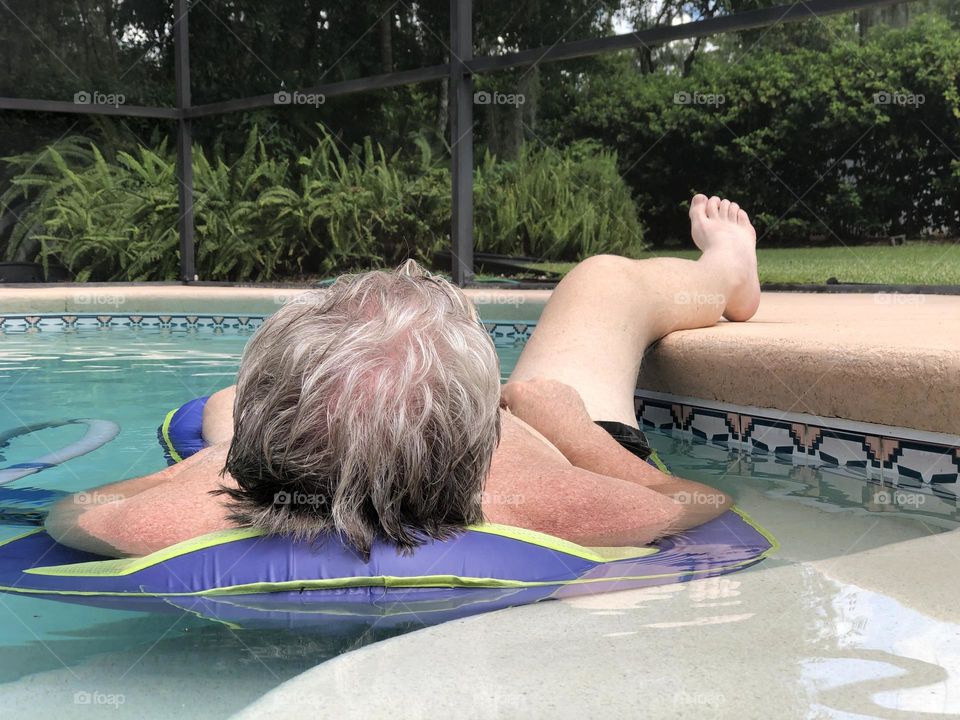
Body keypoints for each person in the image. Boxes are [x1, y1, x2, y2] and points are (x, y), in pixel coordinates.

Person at [45, 194, 760, 558]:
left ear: (255, 458)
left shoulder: (152, 521)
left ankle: (250, 420)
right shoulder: (579, 506)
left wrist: (207, 462)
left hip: (265, 458)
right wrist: (567, 427)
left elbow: (71, 514)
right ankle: (724, 265)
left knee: (225, 404)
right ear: (482, 446)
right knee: (603, 281)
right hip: (553, 444)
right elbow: (700, 500)